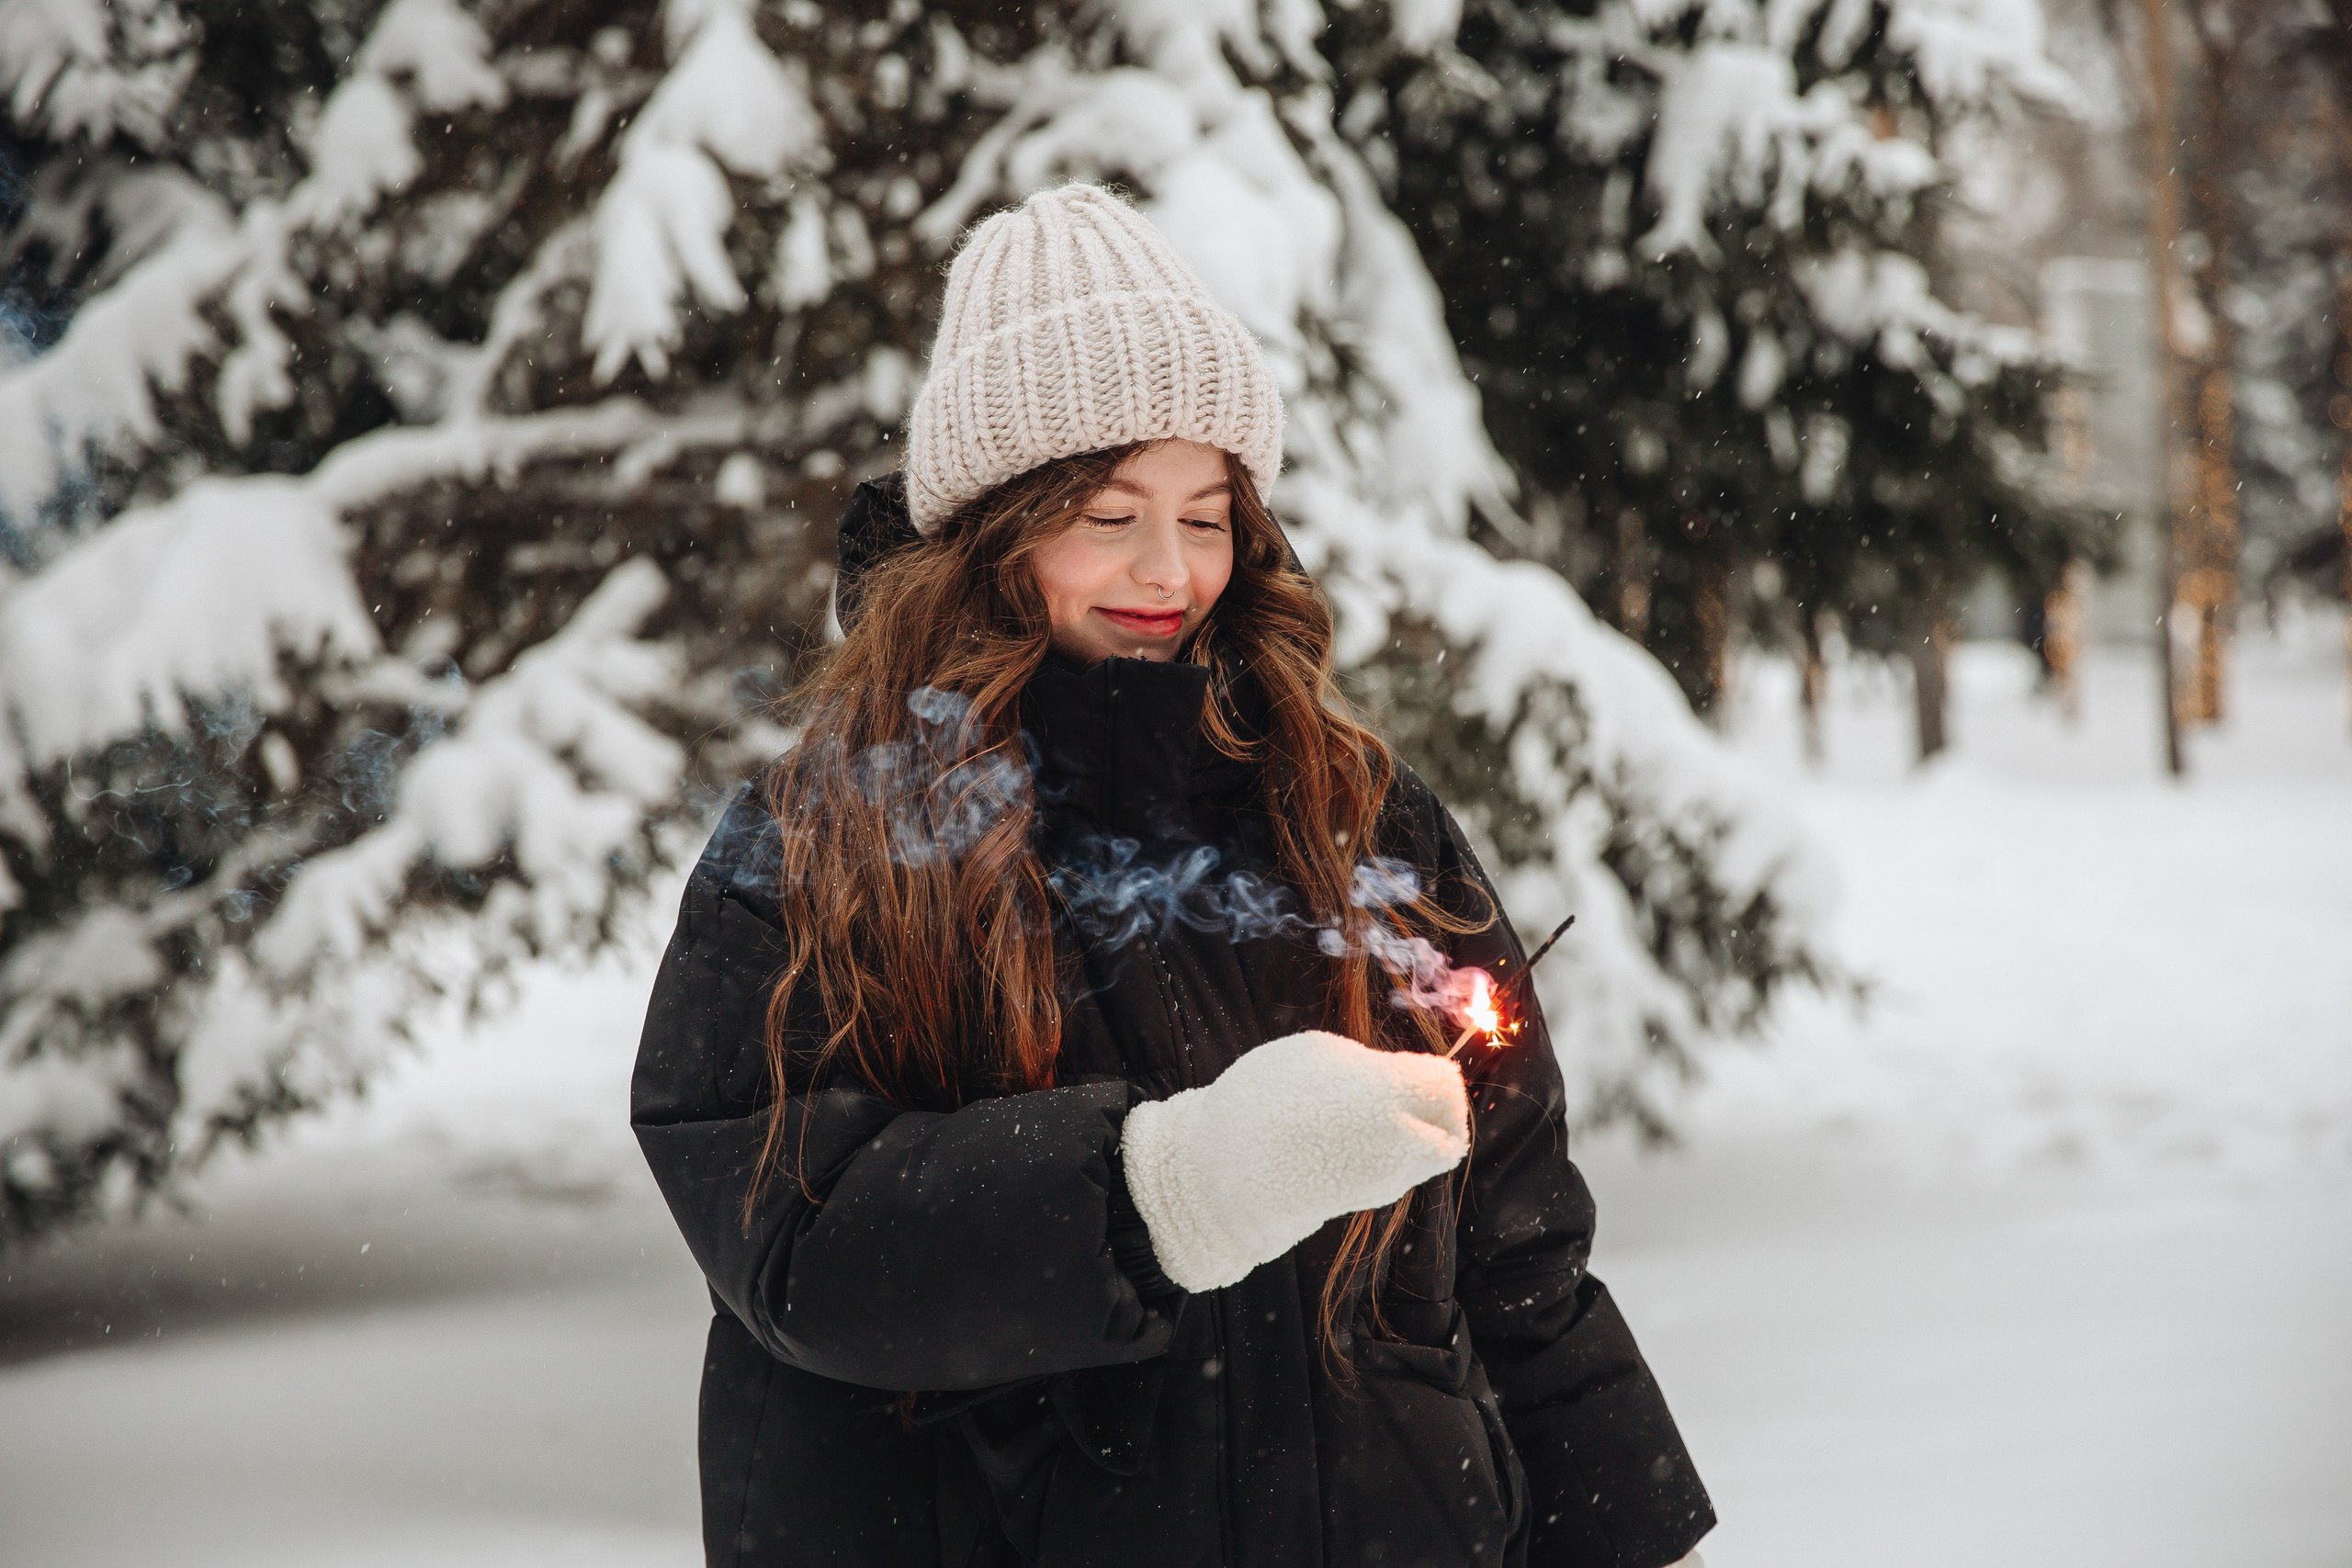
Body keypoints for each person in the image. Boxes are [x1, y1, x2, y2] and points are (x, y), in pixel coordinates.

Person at [633, 183, 1713, 1568]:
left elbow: (1517, 1251)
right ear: (992, 530)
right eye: (1109, 513)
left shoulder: (1357, 814)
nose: (1170, 570)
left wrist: (1627, 1533)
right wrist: (1166, 1190)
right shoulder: (823, 842)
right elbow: (799, 1242)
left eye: (1207, 516)